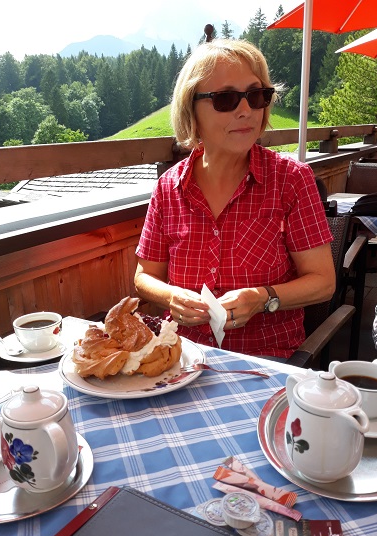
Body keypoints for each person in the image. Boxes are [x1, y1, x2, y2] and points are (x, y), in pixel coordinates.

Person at [134, 39, 335, 359]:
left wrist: (263, 298)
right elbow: (145, 276)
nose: (246, 111)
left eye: (256, 96)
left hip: (266, 359)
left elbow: (323, 281)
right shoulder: (168, 188)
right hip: (184, 355)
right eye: (225, 99)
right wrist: (172, 297)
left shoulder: (291, 180)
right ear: (191, 109)